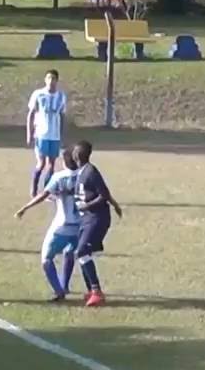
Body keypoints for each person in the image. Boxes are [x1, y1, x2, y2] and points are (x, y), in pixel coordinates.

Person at [14, 150, 81, 302]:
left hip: (62, 226)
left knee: (46, 259)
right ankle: (65, 284)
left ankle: (59, 291)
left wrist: (24, 208)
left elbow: (43, 195)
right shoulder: (85, 175)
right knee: (70, 251)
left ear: (64, 162)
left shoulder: (59, 177)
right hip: (80, 226)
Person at [72, 140, 123, 308]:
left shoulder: (91, 172)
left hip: (97, 218)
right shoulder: (82, 171)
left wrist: (88, 206)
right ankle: (91, 291)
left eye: (74, 151)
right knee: (80, 253)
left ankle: (96, 291)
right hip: (87, 218)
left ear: (78, 155)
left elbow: (104, 194)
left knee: (82, 251)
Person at [26, 69, 67, 197]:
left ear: (57, 81)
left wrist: (62, 134)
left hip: (54, 135)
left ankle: (46, 192)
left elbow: (62, 116)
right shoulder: (38, 94)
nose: (51, 81)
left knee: (51, 164)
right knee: (41, 163)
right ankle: (34, 189)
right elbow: (31, 114)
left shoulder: (61, 96)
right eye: (48, 78)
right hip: (41, 134)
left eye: (53, 78)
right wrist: (29, 133)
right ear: (45, 80)